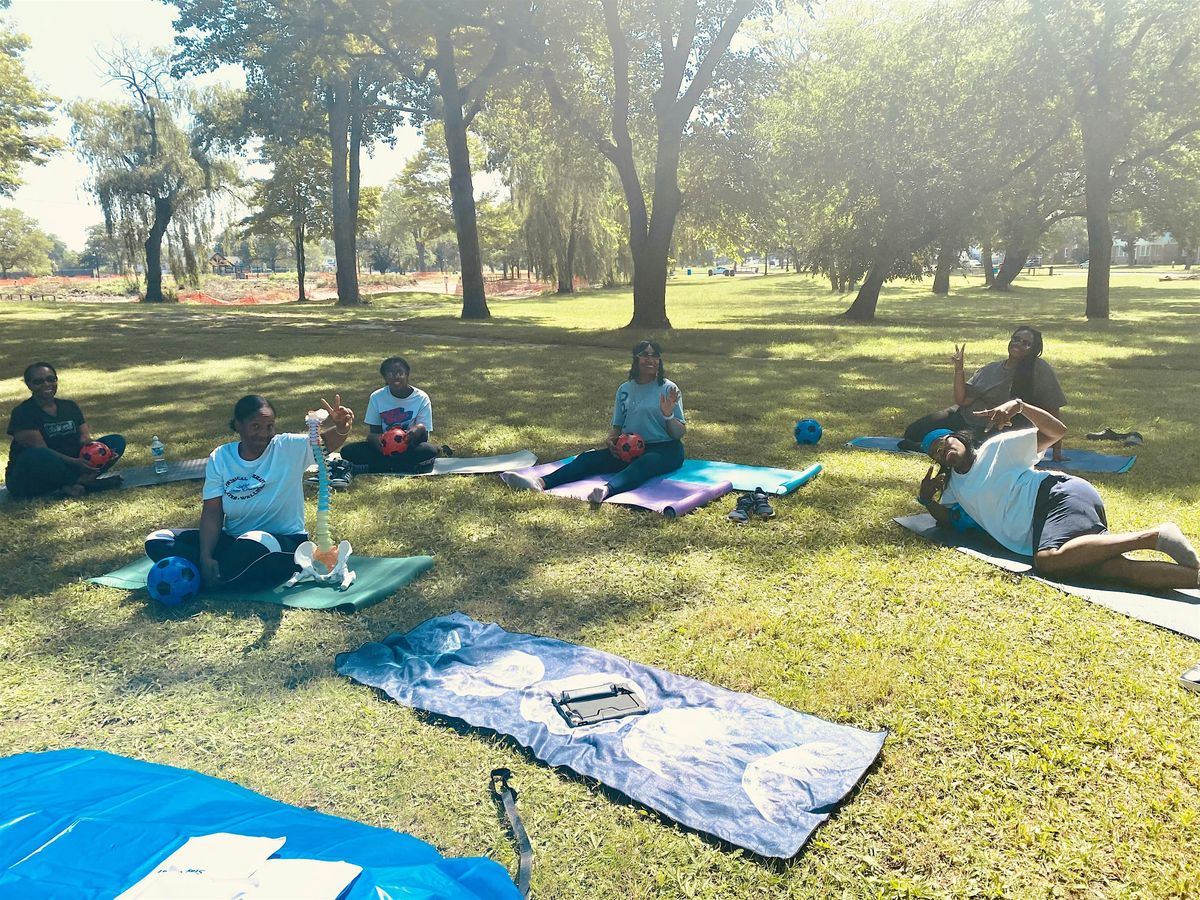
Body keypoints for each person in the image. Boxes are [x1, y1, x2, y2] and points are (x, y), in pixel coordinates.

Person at [917, 401, 1199, 591]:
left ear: (959, 437)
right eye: (937, 453)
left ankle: (1154, 536)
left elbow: (1056, 432)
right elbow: (949, 518)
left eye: (944, 444)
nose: (943, 452)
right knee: (1108, 571)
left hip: (1055, 496)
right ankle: (1194, 578)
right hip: (1041, 525)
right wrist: (927, 500)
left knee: (1050, 560)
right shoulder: (954, 486)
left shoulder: (995, 449)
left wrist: (1021, 406)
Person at [145, 393, 354, 590]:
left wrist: (342, 427)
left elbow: (325, 444)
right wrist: (206, 555)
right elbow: (212, 512)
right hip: (234, 541)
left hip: (281, 542)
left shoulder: (286, 447)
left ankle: (210, 577)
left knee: (253, 543)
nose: (264, 433)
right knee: (157, 539)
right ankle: (218, 571)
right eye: (255, 426)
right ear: (238, 425)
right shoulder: (221, 457)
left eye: (269, 426)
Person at [500, 339, 686, 504]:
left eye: (655, 356)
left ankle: (606, 490)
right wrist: (611, 441)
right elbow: (617, 427)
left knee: (643, 465)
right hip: (630, 449)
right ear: (636, 359)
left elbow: (678, 433)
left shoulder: (668, 389)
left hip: (666, 449)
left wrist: (668, 415)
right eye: (645, 355)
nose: (650, 360)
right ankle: (539, 483)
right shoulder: (625, 389)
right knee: (588, 459)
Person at [901, 326, 1067, 461]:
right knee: (912, 433)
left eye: (1026, 343)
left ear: (1033, 350)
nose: (1018, 344)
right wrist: (959, 370)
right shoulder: (992, 369)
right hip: (962, 415)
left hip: (988, 429)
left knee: (972, 450)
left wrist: (1056, 451)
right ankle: (942, 439)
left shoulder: (1039, 370)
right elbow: (963, 400)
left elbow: (1052, 408)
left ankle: (941, 443)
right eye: (1015, 339)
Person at [5, 362, 126, 499]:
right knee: (37, 454)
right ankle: (84, 482)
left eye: (51, 379)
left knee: (116, 441)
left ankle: (73, 484)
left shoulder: (69, 406)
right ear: (29, 385)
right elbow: (41, 449)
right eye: (38, 381)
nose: (46, 384)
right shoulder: (22, 412)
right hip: (32, 476)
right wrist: (74, 462)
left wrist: (102, 451)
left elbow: (84, 439)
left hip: (71, 467)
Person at [339, 356, 447, 475]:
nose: (396, 376)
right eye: (390, 373)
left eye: (400, 373)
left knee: (428, 451)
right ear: (385, 377)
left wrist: (418, 429)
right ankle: (405, 466)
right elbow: (374, 432)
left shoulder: (421, 398)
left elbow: (424, 437)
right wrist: (376, 441)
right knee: (347, 451)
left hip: (409, 447)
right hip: (384, 449)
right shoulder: (377, 397)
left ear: (407, 374)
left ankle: (372, 468)